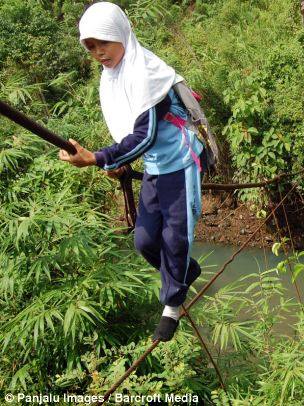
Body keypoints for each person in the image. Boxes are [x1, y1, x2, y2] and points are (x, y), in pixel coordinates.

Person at [59, 2, 206, 341]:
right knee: (143, 241)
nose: (98, 53)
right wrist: (116, 161)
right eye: (91, 46)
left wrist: (99, 158)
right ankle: (185, 273)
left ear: (122, 35)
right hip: (155, 165)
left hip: (179, 163)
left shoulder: (145, 72)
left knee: (175, 238)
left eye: (104, 43)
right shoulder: (113, 75)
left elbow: (145, 134)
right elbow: (127, 129)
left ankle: (172, 305)